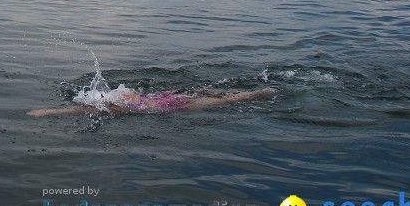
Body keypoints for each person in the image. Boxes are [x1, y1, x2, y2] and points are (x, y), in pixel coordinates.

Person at [27, 86, 277, 118]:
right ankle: (262, 91)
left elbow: (76, 109)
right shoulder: (119, 97)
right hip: (162, 99)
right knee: (219, 97)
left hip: (173, 105)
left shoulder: (115, 105)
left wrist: (45, 113)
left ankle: (262, 92)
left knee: (224, 101)